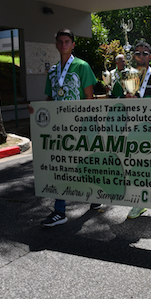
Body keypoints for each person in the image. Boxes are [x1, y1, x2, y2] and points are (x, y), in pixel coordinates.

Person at [28, 28, 102, 227]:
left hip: (81, 125)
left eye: (67, 41)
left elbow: (88, 97)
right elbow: (51, 97)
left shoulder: (82, 66)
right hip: (60, 128)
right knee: (61, 166)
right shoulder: (52, 71)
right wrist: (38, 109)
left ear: (73, 44)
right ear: (56, 44)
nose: (63, 45)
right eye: (60, 41)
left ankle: (95, 197)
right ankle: (60, 211)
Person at [113, 41, 151, 219]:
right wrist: (124, 97)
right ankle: (139, 201)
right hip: (131, 130)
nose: (141, 56)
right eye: (137, 53)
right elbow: (113, 101)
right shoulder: (125, 77)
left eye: (145, 53)